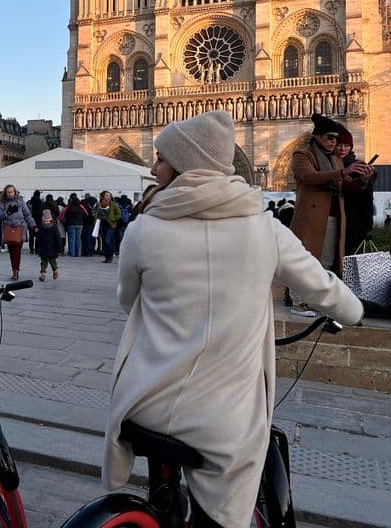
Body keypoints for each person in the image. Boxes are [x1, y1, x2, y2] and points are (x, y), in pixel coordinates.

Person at [103, 111, 363, 528]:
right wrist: (355, 311)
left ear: (187, 165)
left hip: (144, 402)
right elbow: (324, 289)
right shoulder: (265, 229)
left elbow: (126, 301)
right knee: (224, 510)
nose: (152, 169)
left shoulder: (142, 230)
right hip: (222, 422)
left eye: (161, 159)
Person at [289, 114, 371, 316]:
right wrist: (342, 173)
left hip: (334, 217)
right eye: (330, 137)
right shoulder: (302, 155)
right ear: (317, 136)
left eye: (336, 138)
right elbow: (308, 177)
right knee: (305, 261)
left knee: (325, 263)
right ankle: (298, 302)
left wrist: (362, 180)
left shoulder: (335, 159)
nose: (334, 142)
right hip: (311, 217)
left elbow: (344, 187)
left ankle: (316, 301)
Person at [335, 123, 377, 255]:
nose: (342, 149)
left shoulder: (359, 167)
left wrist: (368, 226)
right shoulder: (327, 164)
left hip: (353, 221)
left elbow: (367, 198)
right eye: (339, 145)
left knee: (349, 260)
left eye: (346, 146)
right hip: (332, 220)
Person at [0, 184, 36, 280]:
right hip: (9, 229)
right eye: (8, 192)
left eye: (12, 192)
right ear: (5, 193)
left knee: (17, 251)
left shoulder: (20, 202)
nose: (10, 194)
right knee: (12, 251)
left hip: (20, 228)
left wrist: (33, 225)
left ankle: (16, 271)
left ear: (15, 192)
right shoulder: (2, 203)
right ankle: (14, 268)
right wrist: (7, 213)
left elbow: (27, 215)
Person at [96, 191, 121, 263]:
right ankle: (107, 257)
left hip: (110, 225)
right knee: (104, 241)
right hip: (102, 224)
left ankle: (110, 256)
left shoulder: (113, 204)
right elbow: (97, 213)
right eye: (106, 195)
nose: (108, 197)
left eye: (109, 195)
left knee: (108, 240)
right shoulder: (99, 204)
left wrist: (113, 219)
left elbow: (119, 214)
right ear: (102, 196)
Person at [37, 210, 61, 281]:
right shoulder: (41, 228)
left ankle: (55, 271)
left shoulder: (54, 228)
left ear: (51, 220)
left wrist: (59, 249)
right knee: (43, 262)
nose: (46, 223)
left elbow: (58, 239)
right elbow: (38, 239)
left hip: (52, 249)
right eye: (45, 221)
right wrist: (37, 247)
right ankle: (43, 274)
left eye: (47, 221)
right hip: (43, 248)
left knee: (53, 262)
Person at [61, 193, 87, 257]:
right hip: (80, 224)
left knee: (71, 239)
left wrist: (65, 221)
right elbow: (86, 215)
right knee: (78, 239)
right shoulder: (81, 207)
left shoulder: (69, 207)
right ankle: (78, 253)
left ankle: (71, 253)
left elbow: (62, 215)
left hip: (71, 224)